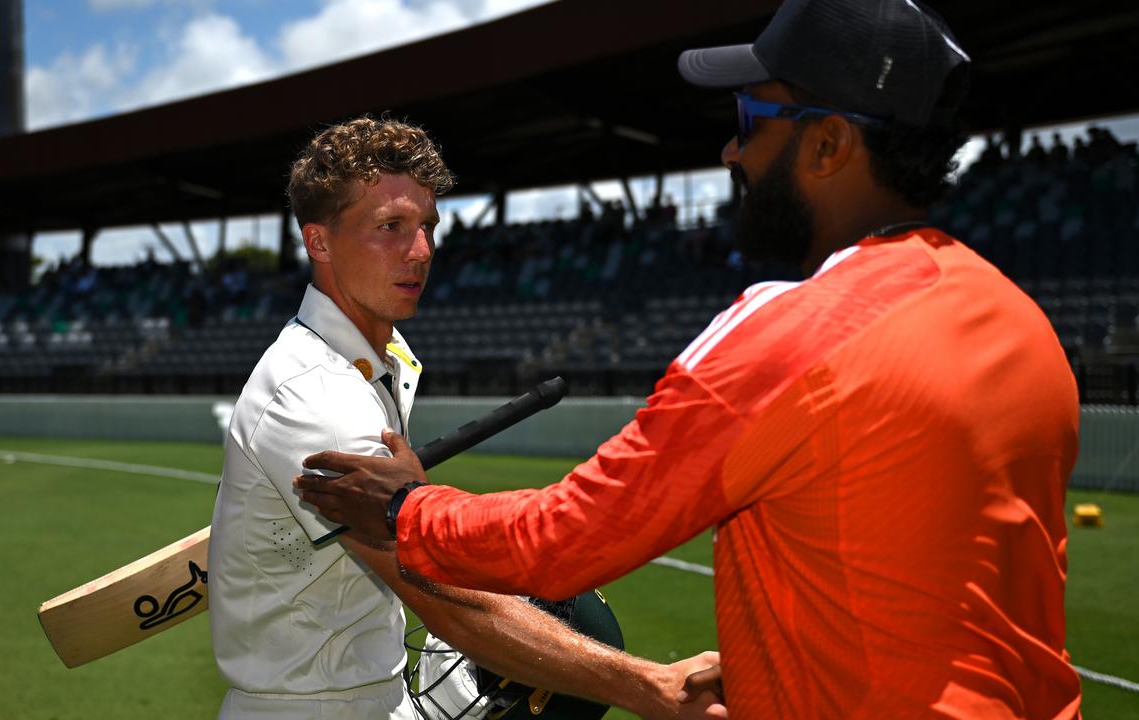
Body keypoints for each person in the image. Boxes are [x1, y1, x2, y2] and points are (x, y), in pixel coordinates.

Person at [294, 1, 1084, 717]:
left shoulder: (794, 334)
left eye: (751, 118)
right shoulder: (1021, 321)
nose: (731, 150)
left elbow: (567, 539)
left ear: (829, 143)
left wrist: (406, 511)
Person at [207, 116, 717, 720]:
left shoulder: (378, 361)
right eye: (390, 227)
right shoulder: (314, 394)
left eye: (427, 227)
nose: (420, 251)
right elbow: (445, 599)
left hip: (369, 697)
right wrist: (647, 685)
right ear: (319, 242)